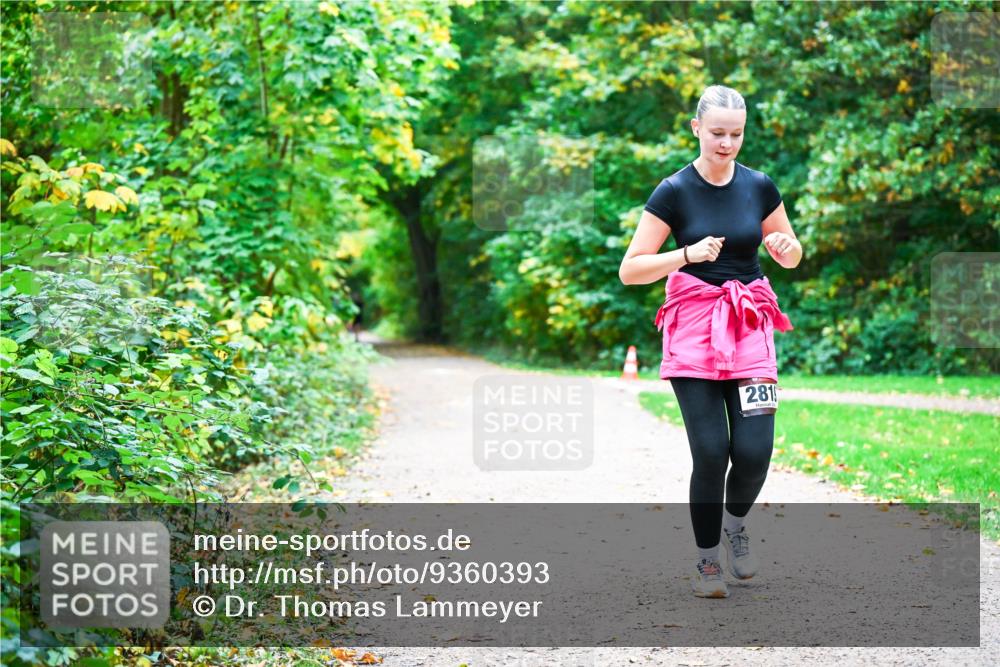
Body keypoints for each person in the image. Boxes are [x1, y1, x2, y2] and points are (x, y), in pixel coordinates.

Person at [618, 85, 802, 599]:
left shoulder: (759, 186)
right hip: (694, 331)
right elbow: (631, 270)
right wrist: (686, 254)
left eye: (736, 134)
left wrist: (787, 247)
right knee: (711, 451)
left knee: (755, 452)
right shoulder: (673, 191)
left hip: (749, 326)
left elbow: (790, 254)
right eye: (717, 132)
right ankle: (705, 563)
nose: (727, 143)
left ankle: (735, 526)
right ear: (696, 128)